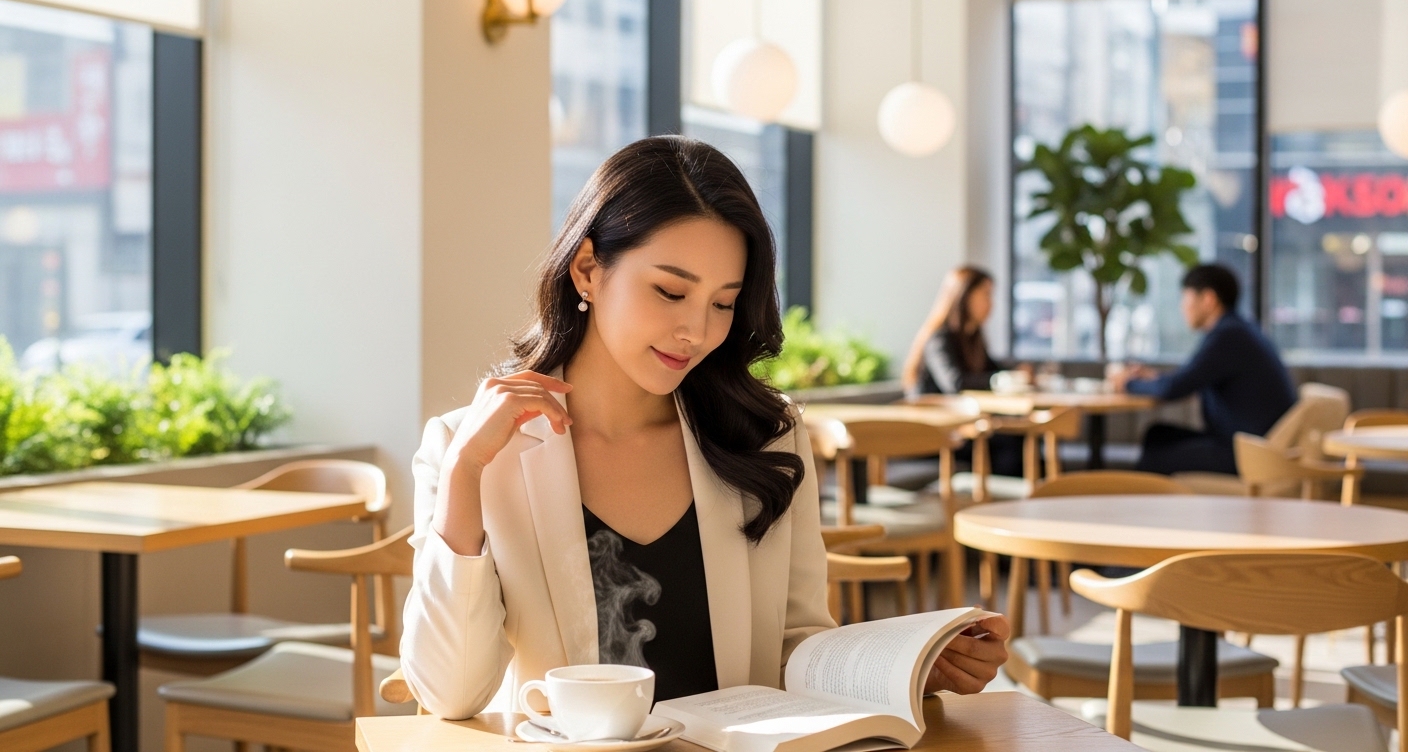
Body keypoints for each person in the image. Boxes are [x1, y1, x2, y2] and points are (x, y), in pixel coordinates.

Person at [399, 137, 1009, 720]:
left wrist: (906, 669)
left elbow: (795, 648)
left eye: (723, 303)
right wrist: (464, 474)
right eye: (670, 292)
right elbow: (450, 694)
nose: (697, 331)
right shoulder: (471, 452)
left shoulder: (765, 436)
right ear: (587, 269)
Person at [1111, 264, 1295, 475]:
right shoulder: (1237, 329)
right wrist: (1152, 378)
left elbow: (1173, 388)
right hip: (1244, 444)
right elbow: (1188, 378)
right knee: (1157, 435)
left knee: (1156, 456)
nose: (1182, 306)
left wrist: (1127, 383)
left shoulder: (1229, 336)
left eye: (1186, 297)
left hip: (1247, 454)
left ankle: (1137, 496)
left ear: (1208, 299)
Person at [901, 265, 1024, 476]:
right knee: (1008, 443)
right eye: (986, 295)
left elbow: (993, 369)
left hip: (958, 428)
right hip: (932, 433)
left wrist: (1016, 373)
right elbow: (955, 383)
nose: (991, 303)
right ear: (964, 296)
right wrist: (1002, 379)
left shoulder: (973, 339)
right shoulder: (939, 338)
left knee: (1017, 435)